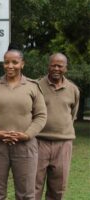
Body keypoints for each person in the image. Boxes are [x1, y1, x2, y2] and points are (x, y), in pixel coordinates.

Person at [0, 47, 47, 200]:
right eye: (6, 62)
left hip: (25, 145)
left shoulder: (32, 86)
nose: (10, 66)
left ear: (22, 64)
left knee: (26, 193)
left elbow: (41, 115)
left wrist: (27, 135)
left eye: (14, 62)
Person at [35, 53, 80, 200]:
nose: (56, 68)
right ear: (48, 66)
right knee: (33, 186)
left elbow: (72, 114)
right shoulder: (36, 86)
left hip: (63, 143)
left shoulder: (73, 89)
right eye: (53, 65)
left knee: (58, 188)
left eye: (60, 66)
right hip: (38, 142)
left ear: (65, 68)